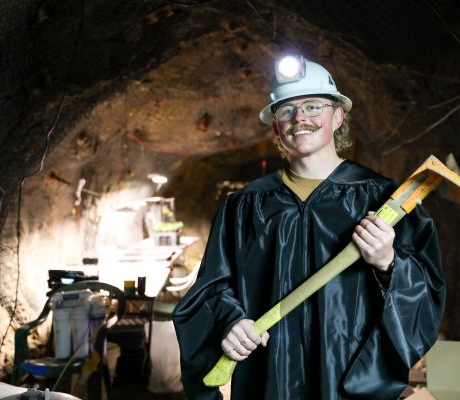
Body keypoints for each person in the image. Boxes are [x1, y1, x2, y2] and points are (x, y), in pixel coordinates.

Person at [173, 55, 445, 400]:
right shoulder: (244, 206)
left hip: (347, 378)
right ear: (275, 126)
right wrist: (231, 321)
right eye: (286, 110)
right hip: (268, 377)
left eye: (314, 106)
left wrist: (389, 262)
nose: (300, 118)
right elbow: (211, 289)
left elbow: (427, 290)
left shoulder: (384, 200)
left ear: (338, 116)